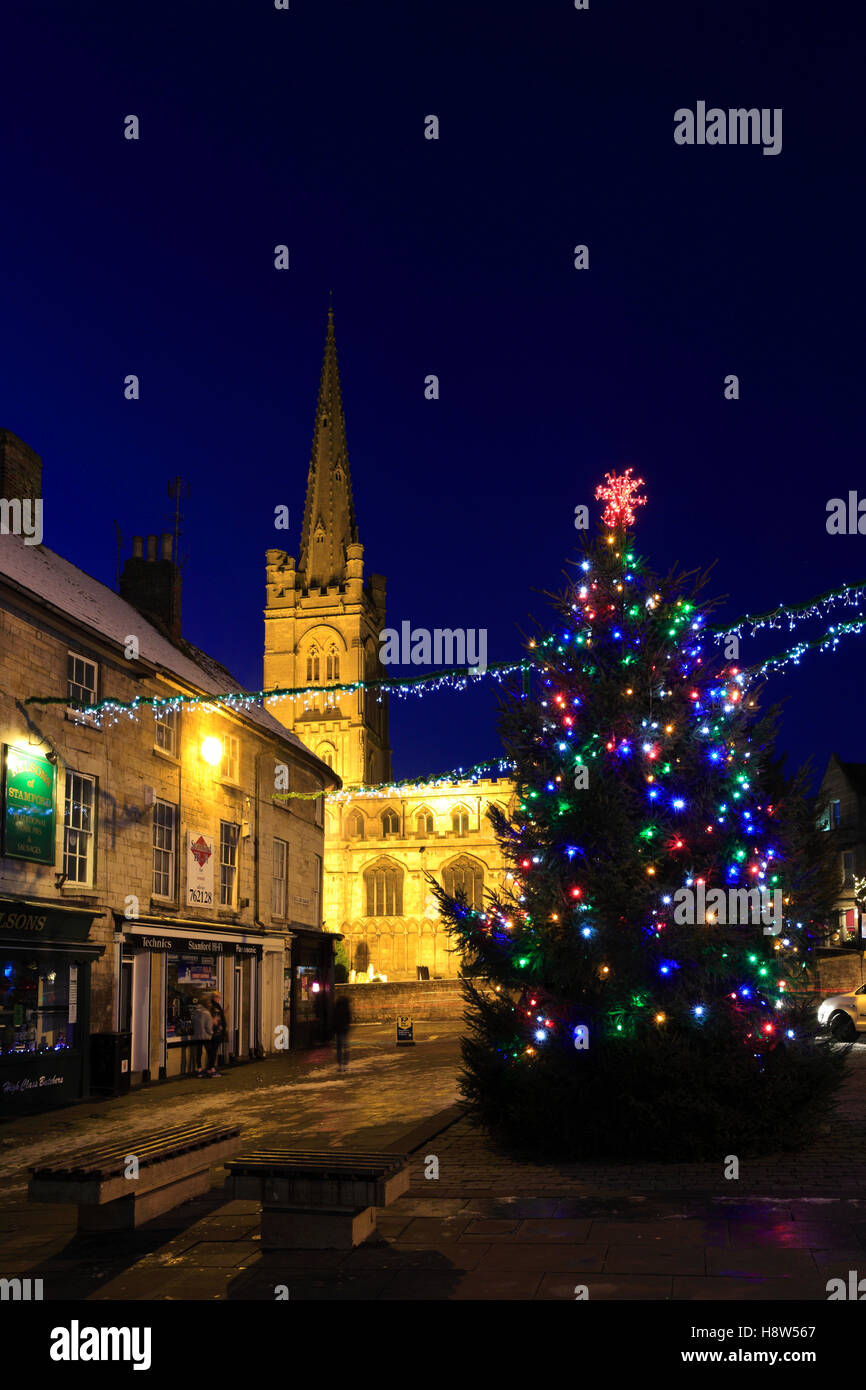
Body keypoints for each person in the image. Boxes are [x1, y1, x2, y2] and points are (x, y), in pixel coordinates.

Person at [191, 996, 213, 1078]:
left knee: (199, 1053)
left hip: (197, 1035)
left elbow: (193, 1023)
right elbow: (209, 1026)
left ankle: (199, 1069)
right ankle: (209, 1069)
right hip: (206, 1036)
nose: (210, 1004)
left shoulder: (196, 1012)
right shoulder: (206, 1013)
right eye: (209, 1002)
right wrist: (211, 1033)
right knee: (210, 1052)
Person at [206, 990, 226, 1077]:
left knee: (213, 1050)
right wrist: (215, 1021)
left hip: (218, 1031)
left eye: (220, 997)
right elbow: (213, 1017)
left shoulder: (216, 1006)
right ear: (214, 997)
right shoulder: (212, 1006)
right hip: (214, 1032)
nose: (219, 999)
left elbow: (220, 1016)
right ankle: (211, 1068)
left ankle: (210, 1068)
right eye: (218, 997)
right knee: (213, 1051)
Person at [333, 993, 351, 1072]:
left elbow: (333, 1018)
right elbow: (348, 1018)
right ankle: (345, 1064)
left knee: (339, 1048)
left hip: (338, 1030)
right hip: (344, 1029)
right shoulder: (346, 1008)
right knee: (345, 1047)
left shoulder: (336, 1007)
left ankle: (340, 1065)